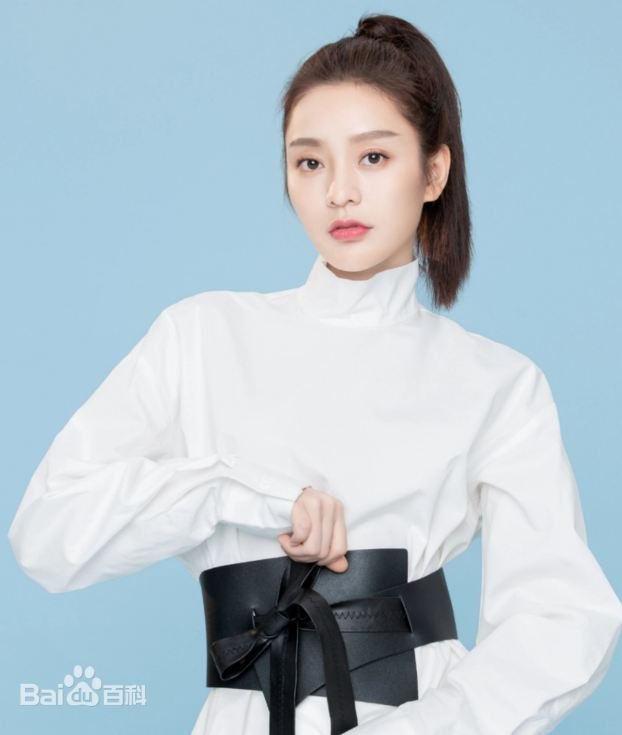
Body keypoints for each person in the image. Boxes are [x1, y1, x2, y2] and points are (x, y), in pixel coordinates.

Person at [8, 12, 622, 735]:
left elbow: (562, 618)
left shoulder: (496, 381)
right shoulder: (202, 336)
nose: (339, 192)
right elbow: (47, 535)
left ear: (434, 171)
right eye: (310, 162)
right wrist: (244, 494)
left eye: (373, 157)